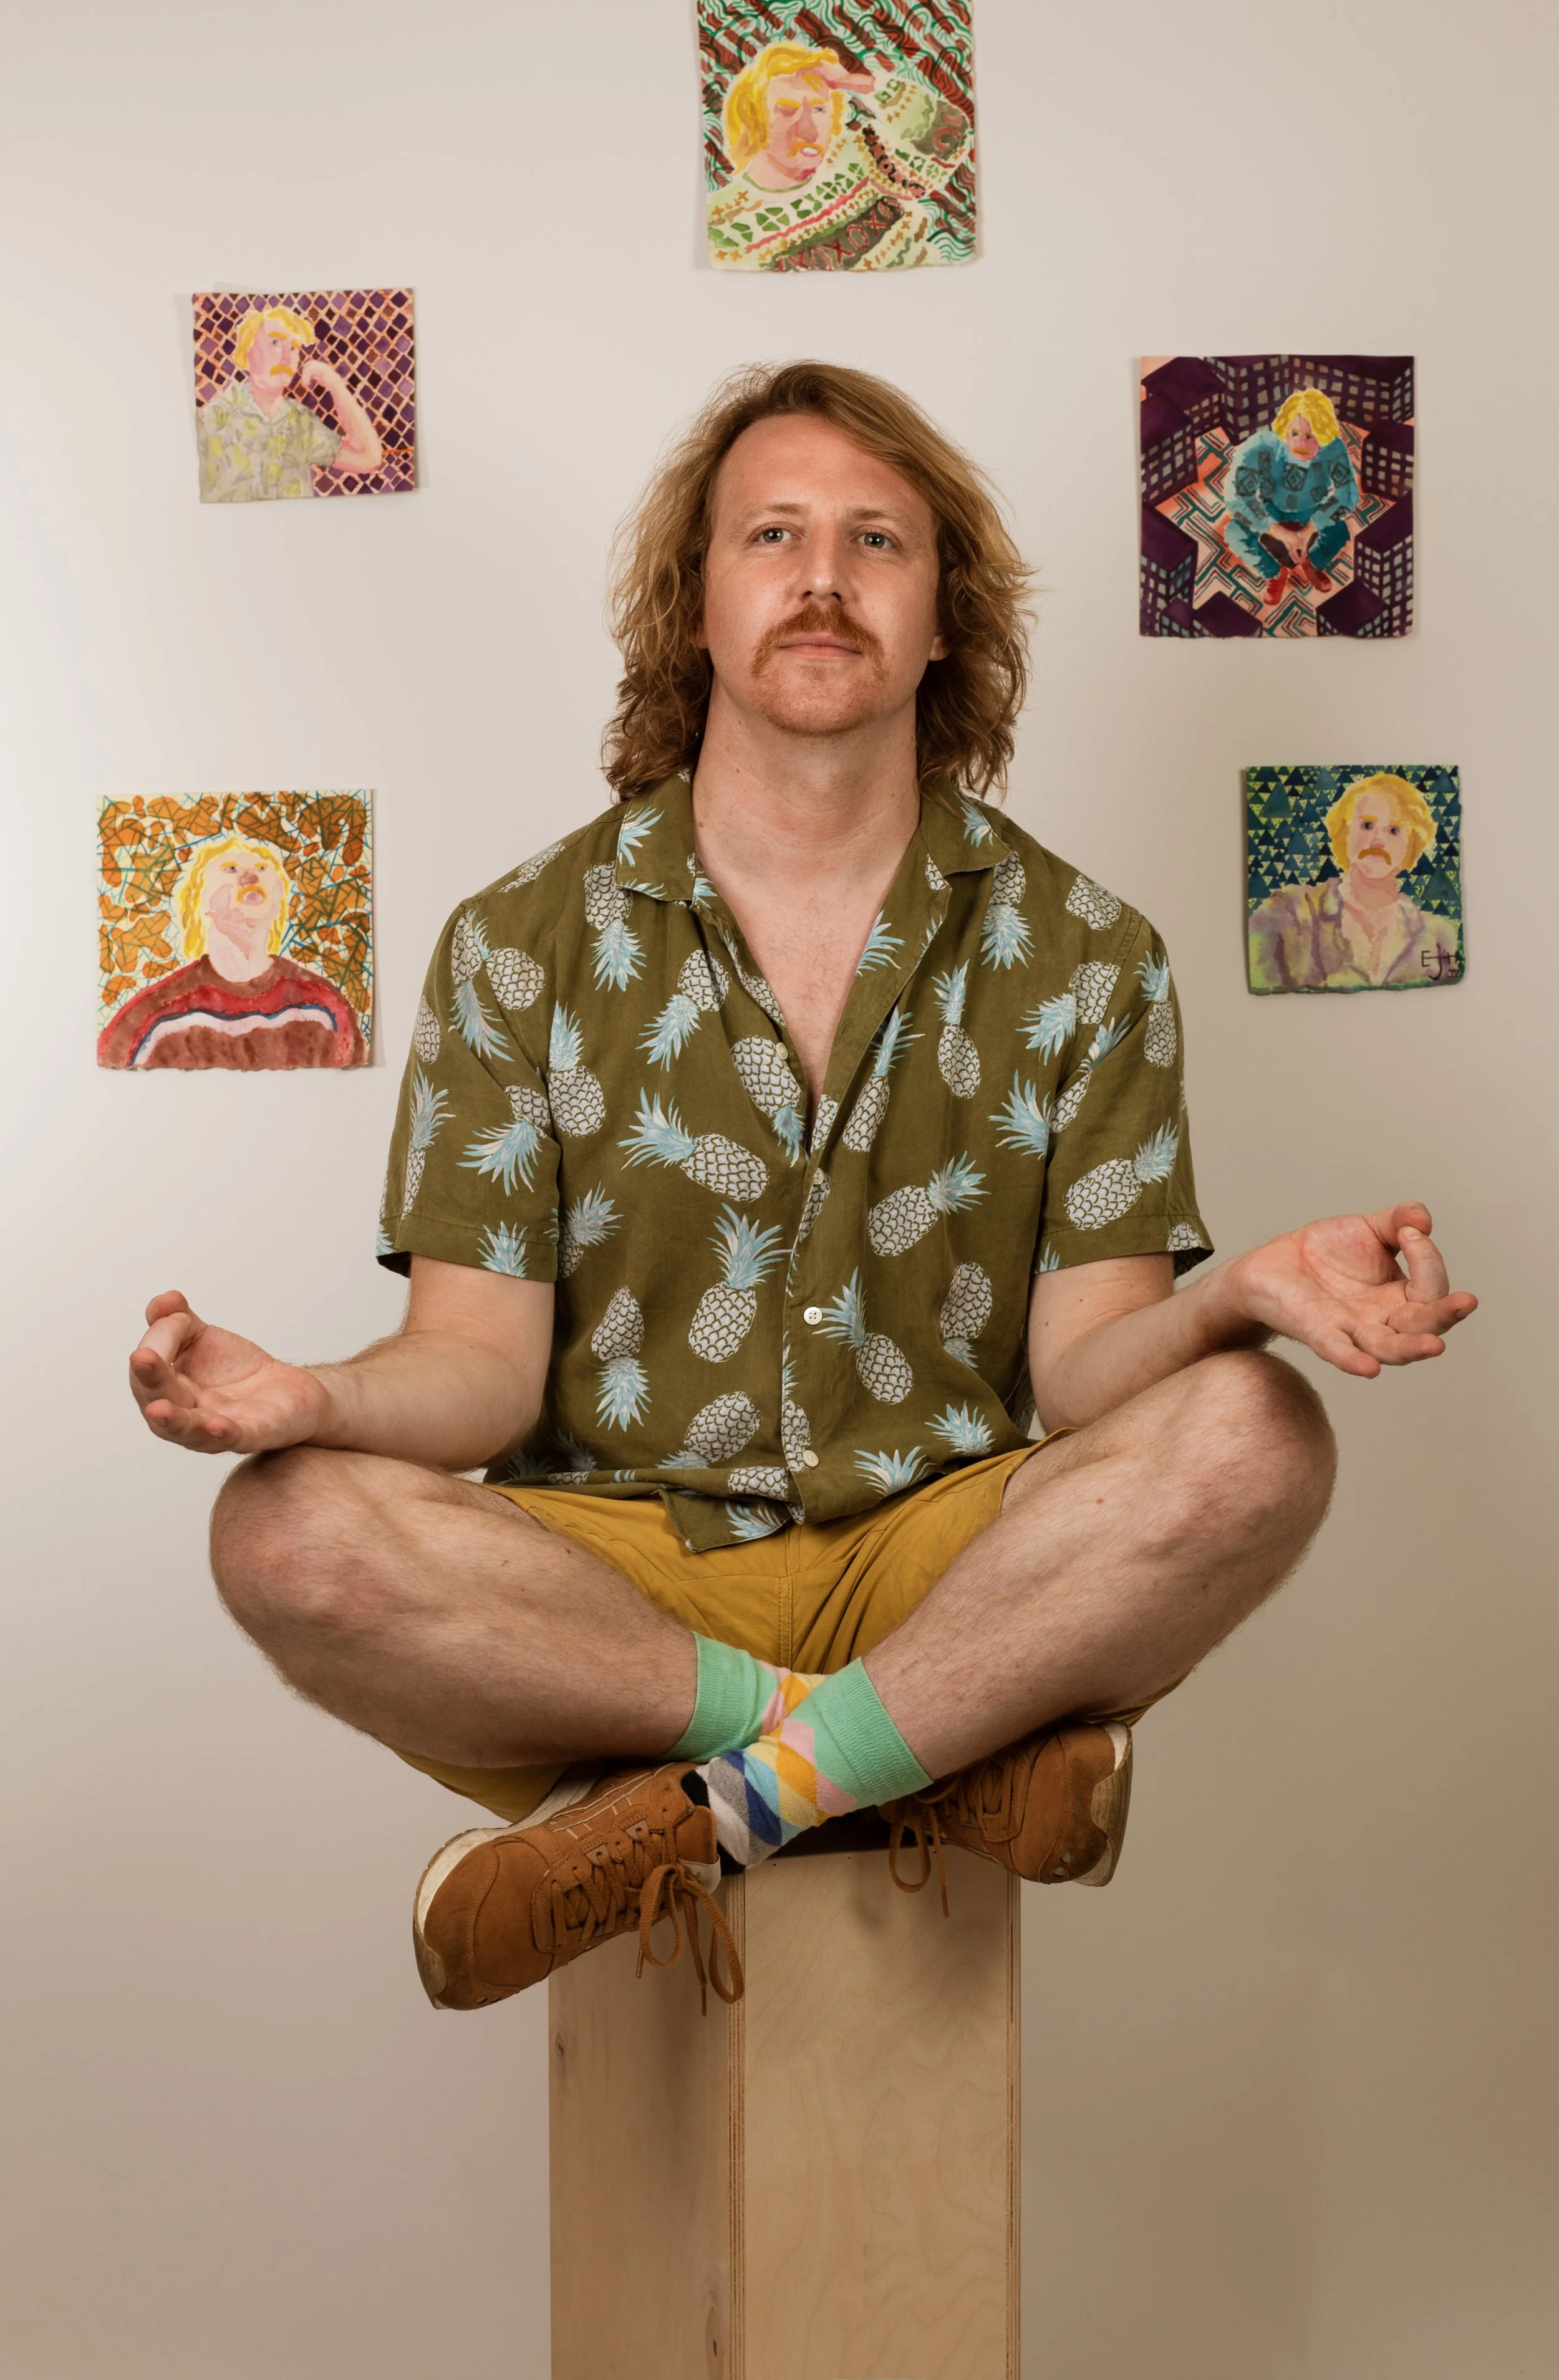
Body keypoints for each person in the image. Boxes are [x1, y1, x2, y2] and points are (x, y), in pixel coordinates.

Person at [128, 362, 1475, 2016]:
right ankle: (910, 1754)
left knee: (1261, 1429)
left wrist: (1235, 1297)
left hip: (944, 1547)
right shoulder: (518, 943)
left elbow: (1087, 1375)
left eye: (876, 540)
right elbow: (477, 1366)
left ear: (939, 624)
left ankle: (746, 1792)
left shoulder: (1089, 955)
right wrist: (311, 1391)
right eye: (771, 533)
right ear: (695, 604)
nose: (821, 575)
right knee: (283, 1522)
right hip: (616, 1575)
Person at [99, 833, 367, 1068]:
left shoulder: (324, 1007)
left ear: (278, 900)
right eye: (230, 869)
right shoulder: (151, 1020)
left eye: (262, 868)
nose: (249, 878)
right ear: (197, 898)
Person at [706, 42, 973, 272]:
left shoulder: (860, 157)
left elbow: (951, 138)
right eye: (787, 111)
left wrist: (859, 84)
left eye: (820, 109)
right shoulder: (722, 221)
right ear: (752, 122)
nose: (809, 131)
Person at [1248, 772, 1462, 993]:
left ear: (1412, 846)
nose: (1378, 841)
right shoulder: (1290, 911)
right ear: (1345, 833)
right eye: (1367, 826)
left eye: (1394, 831)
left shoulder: (1438, 935)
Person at [197, 305, 383, 502]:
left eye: (294, 348)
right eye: (275, 342)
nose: (287, 357)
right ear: (248, 351)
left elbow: (369, 458)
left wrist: (335, 384)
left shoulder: (300, 421)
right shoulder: (214, 419)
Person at [1224, 387, 1359, 607]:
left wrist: (1312, 528)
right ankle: (1275, 574)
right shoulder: (1260, 445)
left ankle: (1312, 563)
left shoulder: (1334, 448)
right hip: (1272, 508)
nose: (1300, 445)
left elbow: (1349, 494)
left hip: (1312, 509)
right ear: (1284, 429)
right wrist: (1276, 531)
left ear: (1323, 435)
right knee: (1234, 532)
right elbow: (1235, 496)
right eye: (1294, 434)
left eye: (1310, 436)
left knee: (1340, 531)